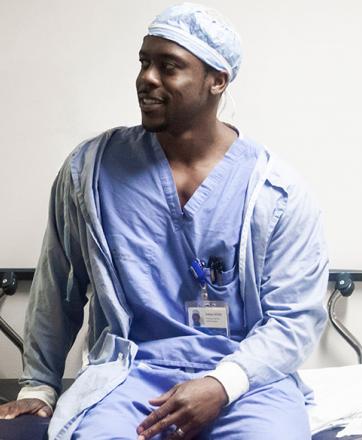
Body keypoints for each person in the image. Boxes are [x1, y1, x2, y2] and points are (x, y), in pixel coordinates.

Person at [0, 2, 329, 439]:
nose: (146, 78)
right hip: (130, 374)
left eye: (168, 66)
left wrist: (221, 383)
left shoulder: (275, 194)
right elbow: (58, 283)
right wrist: (40, 384)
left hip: (246, 381)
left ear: (217, 81)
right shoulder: (91, 172)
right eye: (144, 62)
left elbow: (296, 319)